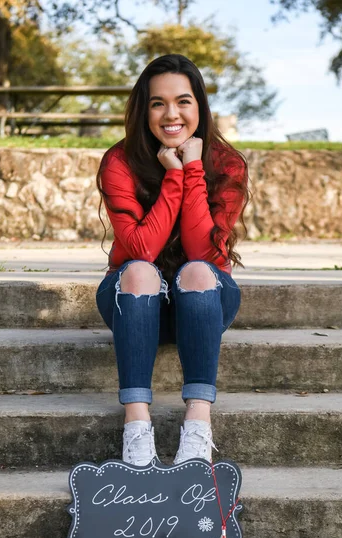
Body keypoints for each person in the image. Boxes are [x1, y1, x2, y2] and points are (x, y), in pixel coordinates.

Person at [96, 53, 249, 467]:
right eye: (157, 103)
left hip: (203, 301)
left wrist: (194, 166)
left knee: (197, 270)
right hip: (132, 298)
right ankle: (136, 429)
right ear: (143, 110)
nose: (171, 114)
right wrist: (174, 177)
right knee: (142, 271)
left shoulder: (229, 163)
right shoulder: (119, 161)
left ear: (199, 105)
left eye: (183, 101)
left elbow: (204, 251)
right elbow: (141, 248)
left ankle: (198, 426)